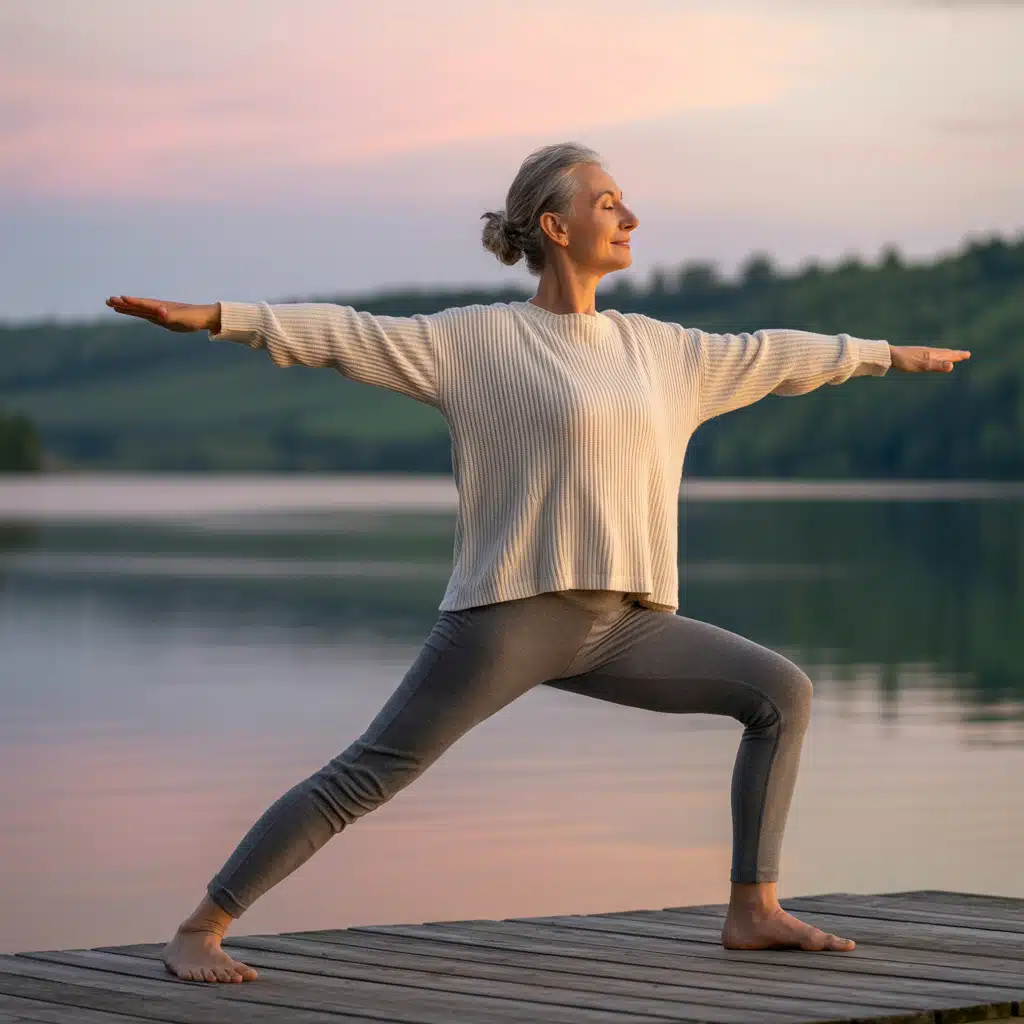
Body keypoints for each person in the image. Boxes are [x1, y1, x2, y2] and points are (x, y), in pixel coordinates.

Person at [106, 141, 971, 984]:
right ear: (554, 227)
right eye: (607, 203)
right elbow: (347, 334)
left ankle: (752, 909)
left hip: (625, 627)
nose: (629, 216)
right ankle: (200, 927)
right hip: (509, 617)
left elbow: (774, 354)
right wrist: (223, 319)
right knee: (367, 775)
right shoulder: (476, 342)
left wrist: (884, 355)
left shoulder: (663, 352)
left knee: (782, 693)